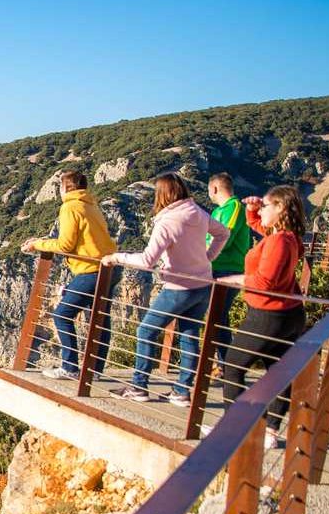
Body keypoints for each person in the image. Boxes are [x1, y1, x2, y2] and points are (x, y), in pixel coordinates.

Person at [102, 173, 230, 403]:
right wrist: (207, 258)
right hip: (203, 285)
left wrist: (116, 257)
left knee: (146, 330)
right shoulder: (198, 213)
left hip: (178, 287)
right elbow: (223, 233)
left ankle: (139, 386)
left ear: (161, 194)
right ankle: (182, 391)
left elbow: (147, 261)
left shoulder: (168, 221)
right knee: (189, 335)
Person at [210, 186, 310, 448]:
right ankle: (270, 430)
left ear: (281, 208)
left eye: (266, 205)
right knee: (276, 371)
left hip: (268, 313)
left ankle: (237, 426)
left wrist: (235, 279)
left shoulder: (280, 241)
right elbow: (257, 225)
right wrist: (253, 210)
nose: (261, 209)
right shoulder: (286, 237)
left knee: (233, 365)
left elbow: (266, 282)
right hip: (288, 313)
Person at [22, 169, 117, 380]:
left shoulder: (70, 207)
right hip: (110, 267)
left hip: (91, 270)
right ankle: (95, 371)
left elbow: (65, 244)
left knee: (62, 315)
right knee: (99, 319)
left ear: (65, 188)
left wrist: (37, 244)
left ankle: (70, 367)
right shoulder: (90, 204)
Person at [206, 172, 251, 353]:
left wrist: (203, 255)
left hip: (228, 269)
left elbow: (226, 236)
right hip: (214, 268)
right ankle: (222, 362)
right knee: (217, 316)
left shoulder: (234, 207)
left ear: (215, 188)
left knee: (218, 316)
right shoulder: (217, 211)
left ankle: (226, 364)